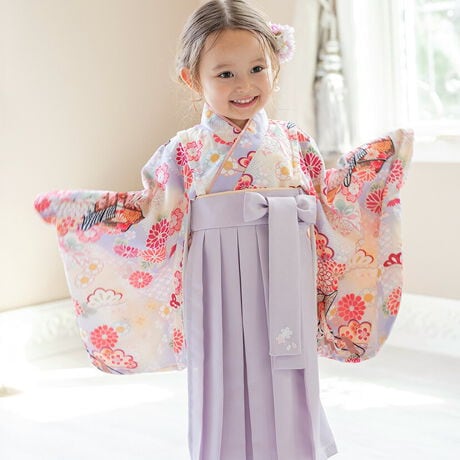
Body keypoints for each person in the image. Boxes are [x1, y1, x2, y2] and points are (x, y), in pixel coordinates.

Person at [34, 1, 413, 459]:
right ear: (193, 79)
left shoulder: (294, 142)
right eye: (226, 74)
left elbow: (331, 203)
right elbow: (152, 217)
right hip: (216, 283)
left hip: (287, 271)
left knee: (288, 365)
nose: (245, 85)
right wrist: (82, 212)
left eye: (257, 68)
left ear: (275, 66)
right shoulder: (184, 152)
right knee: (222, 369)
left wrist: (376, 165)